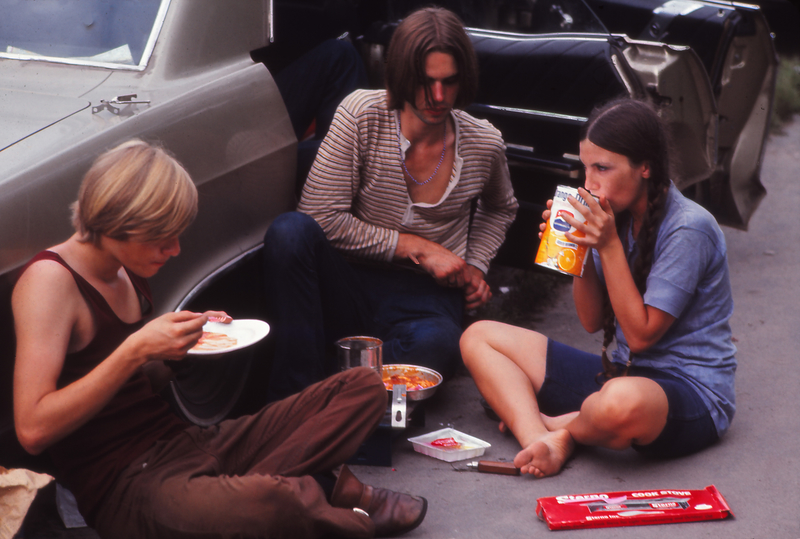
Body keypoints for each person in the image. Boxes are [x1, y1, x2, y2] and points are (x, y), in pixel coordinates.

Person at [12, 139, 427, 538]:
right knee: (275, 499)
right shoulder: (50, 281)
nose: (174, 250)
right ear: (121, 224)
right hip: (130, 487)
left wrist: (181, 348)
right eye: (163, 237)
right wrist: (135, 350)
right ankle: (339, 508)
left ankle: (275, 497)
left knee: (362, 387)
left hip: (186, 445)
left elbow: (136, 387)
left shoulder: (126, 272)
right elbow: (33, 428)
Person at [460, 98, 736, 478]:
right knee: (478, 337)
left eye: (602, 168)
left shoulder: (689, 228)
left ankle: (558, 426)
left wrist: (606, 246)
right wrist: (576, 252)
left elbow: (640, 336)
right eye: (586, 167)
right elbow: (590, 321)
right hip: (618, 373)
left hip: (685, 391)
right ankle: (540, 439)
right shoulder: (614, 215)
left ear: (645, 167)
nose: (589, 184)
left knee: (618, 404)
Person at [262, 7, 518, 401]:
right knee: (289, 233)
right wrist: (417, 247)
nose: (437, 96)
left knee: (437, 348)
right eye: (425, 82)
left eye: (449, 82)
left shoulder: (483, 142)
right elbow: (319, 218)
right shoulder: (361, 114)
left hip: (426, 298)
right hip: (351, 280)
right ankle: (299, 399)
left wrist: (476, 266)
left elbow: (501, 207)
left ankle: (345, 390)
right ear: (401, 75)